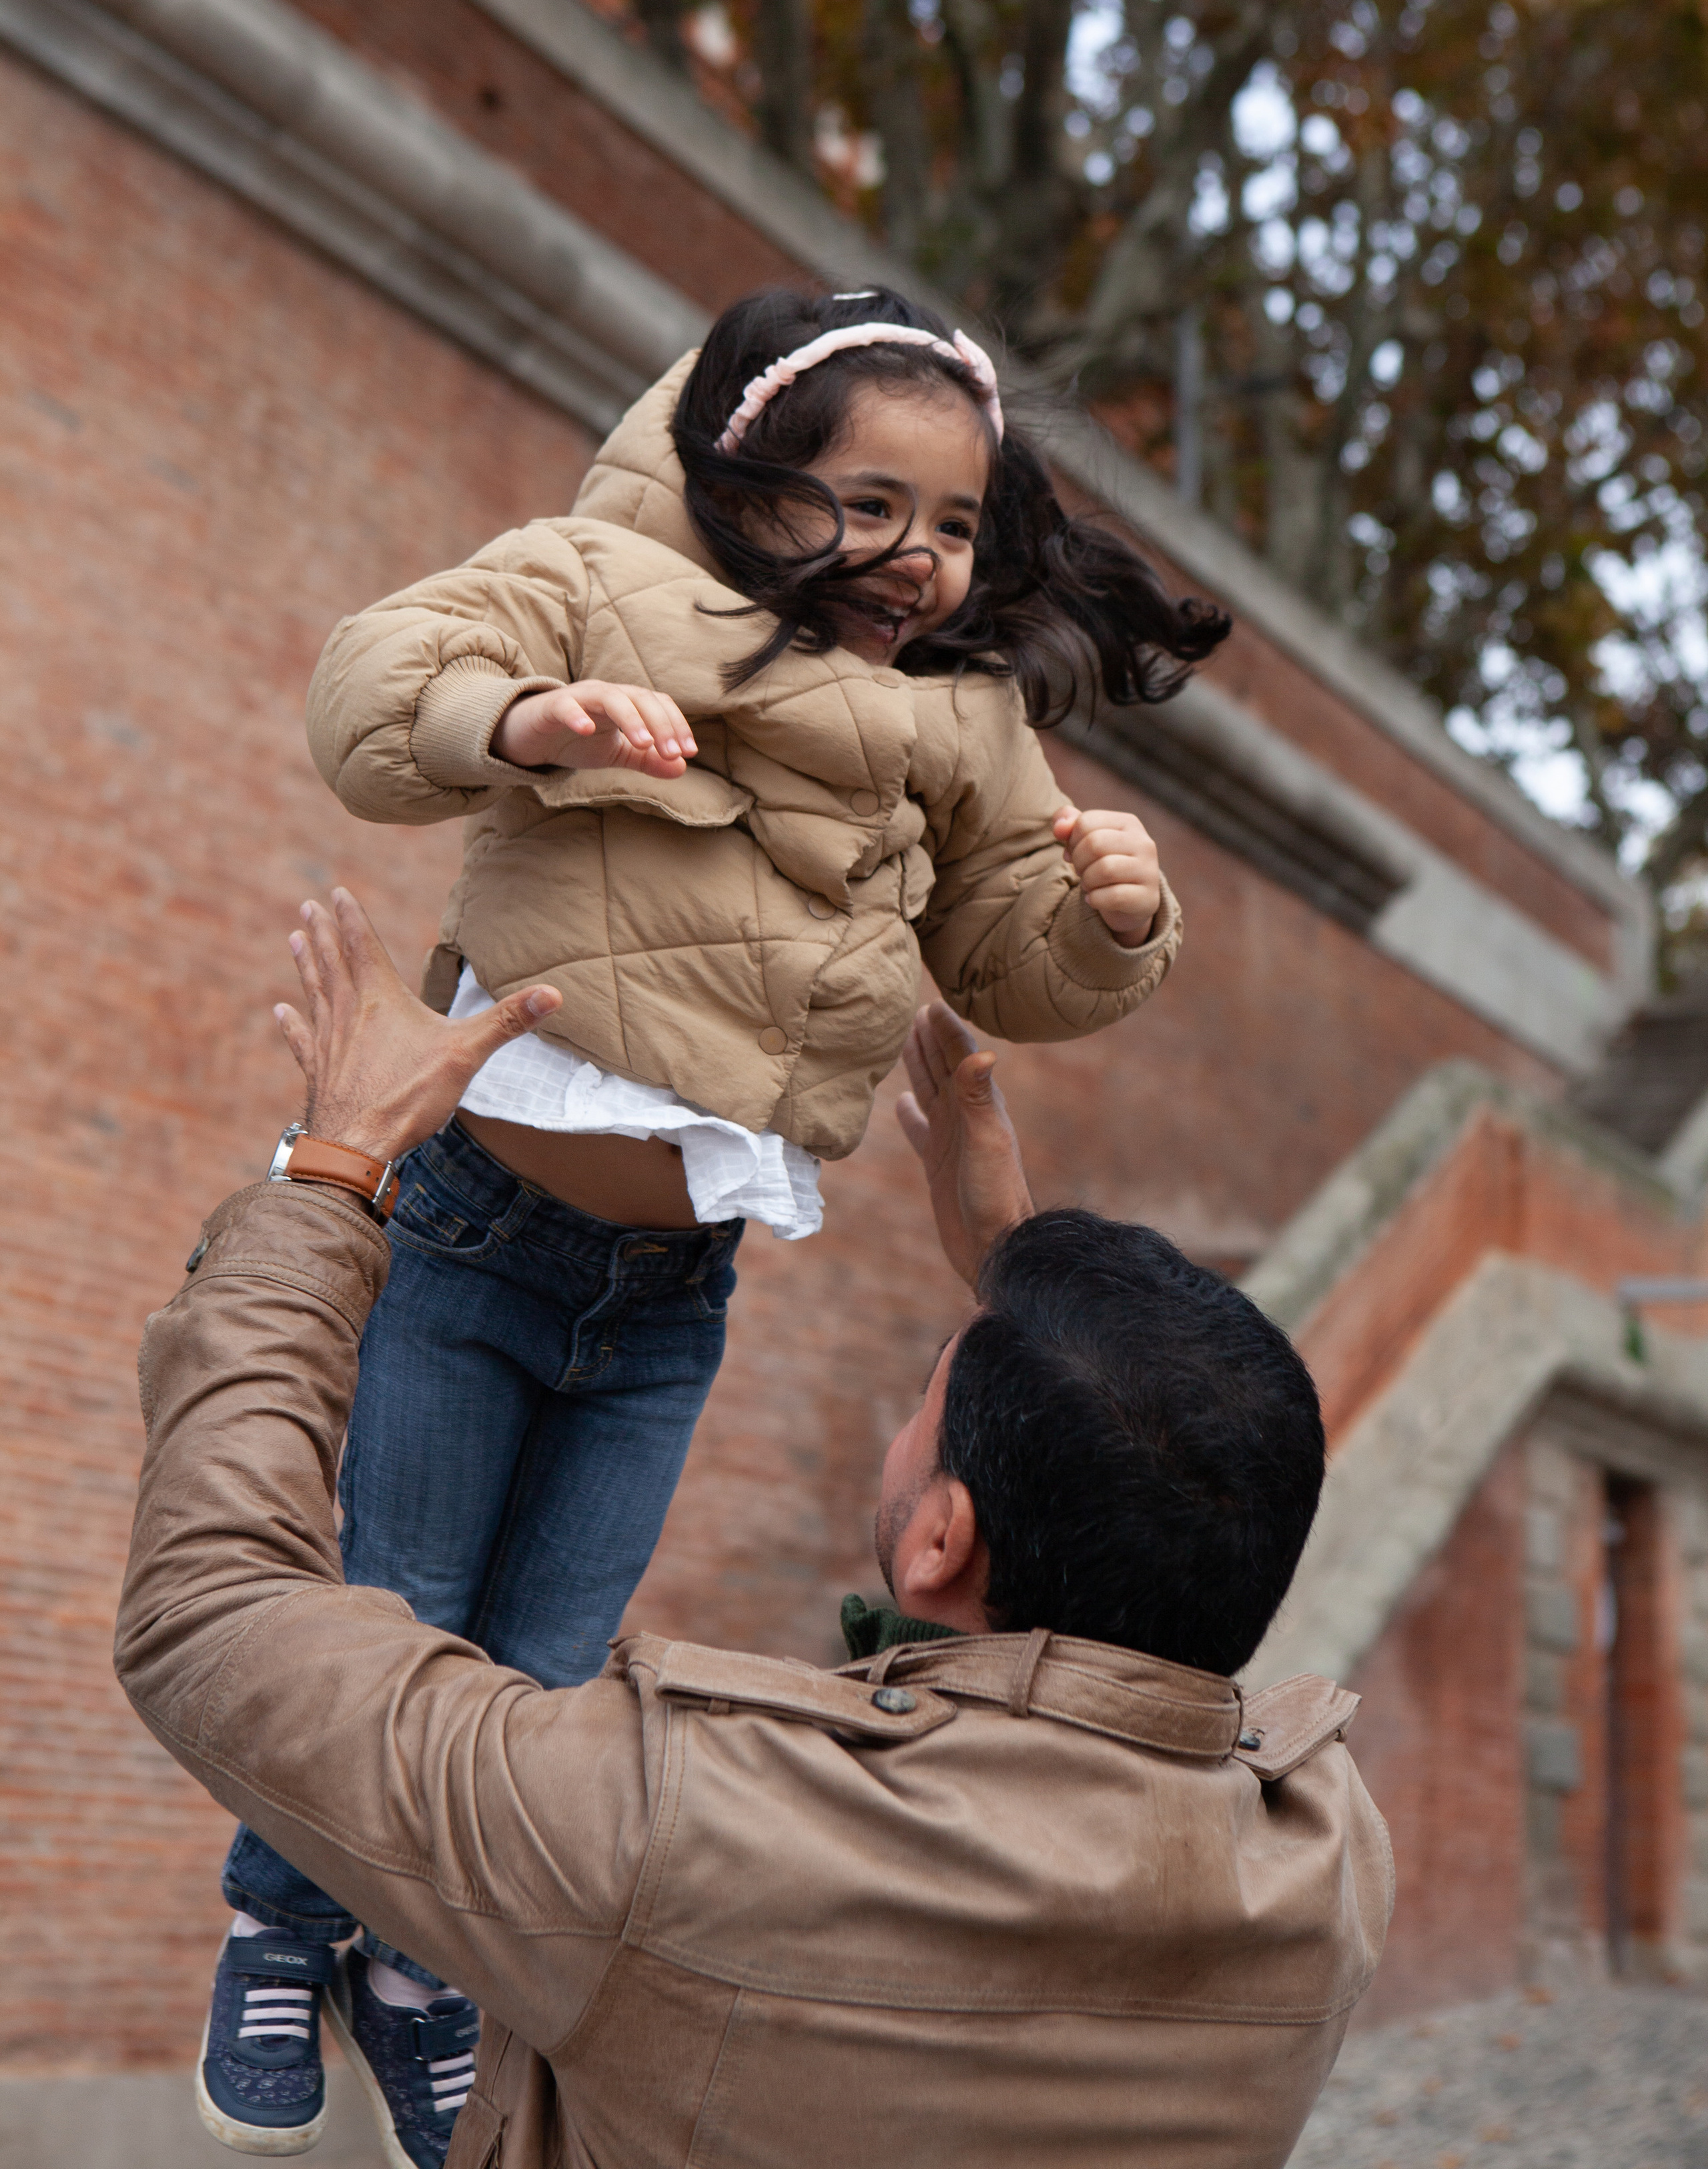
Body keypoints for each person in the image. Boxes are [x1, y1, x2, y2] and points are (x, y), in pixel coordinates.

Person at [197, 280, 1234, 2150]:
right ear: (747, 470)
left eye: (950, 522)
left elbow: (1006, 961)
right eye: (866, 503)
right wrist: (519, 719)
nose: (912, 557)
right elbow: (367, 695)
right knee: (389, 1611)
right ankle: (280, 1923)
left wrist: (1115, 919)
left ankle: (425, 1972)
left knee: (532, 1678)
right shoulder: (590, 578)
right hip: (467, 1228)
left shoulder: (965, 723)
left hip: (673, 1293)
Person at [117, 890, 1390, 2169]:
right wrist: (1028, 1295)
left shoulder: (677, 1833)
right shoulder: (1324, 1865)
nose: (906, 1421)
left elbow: (219, 1619)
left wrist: (333, 1169)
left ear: (941, 1541)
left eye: (922, 1402)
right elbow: (1164, 1509)